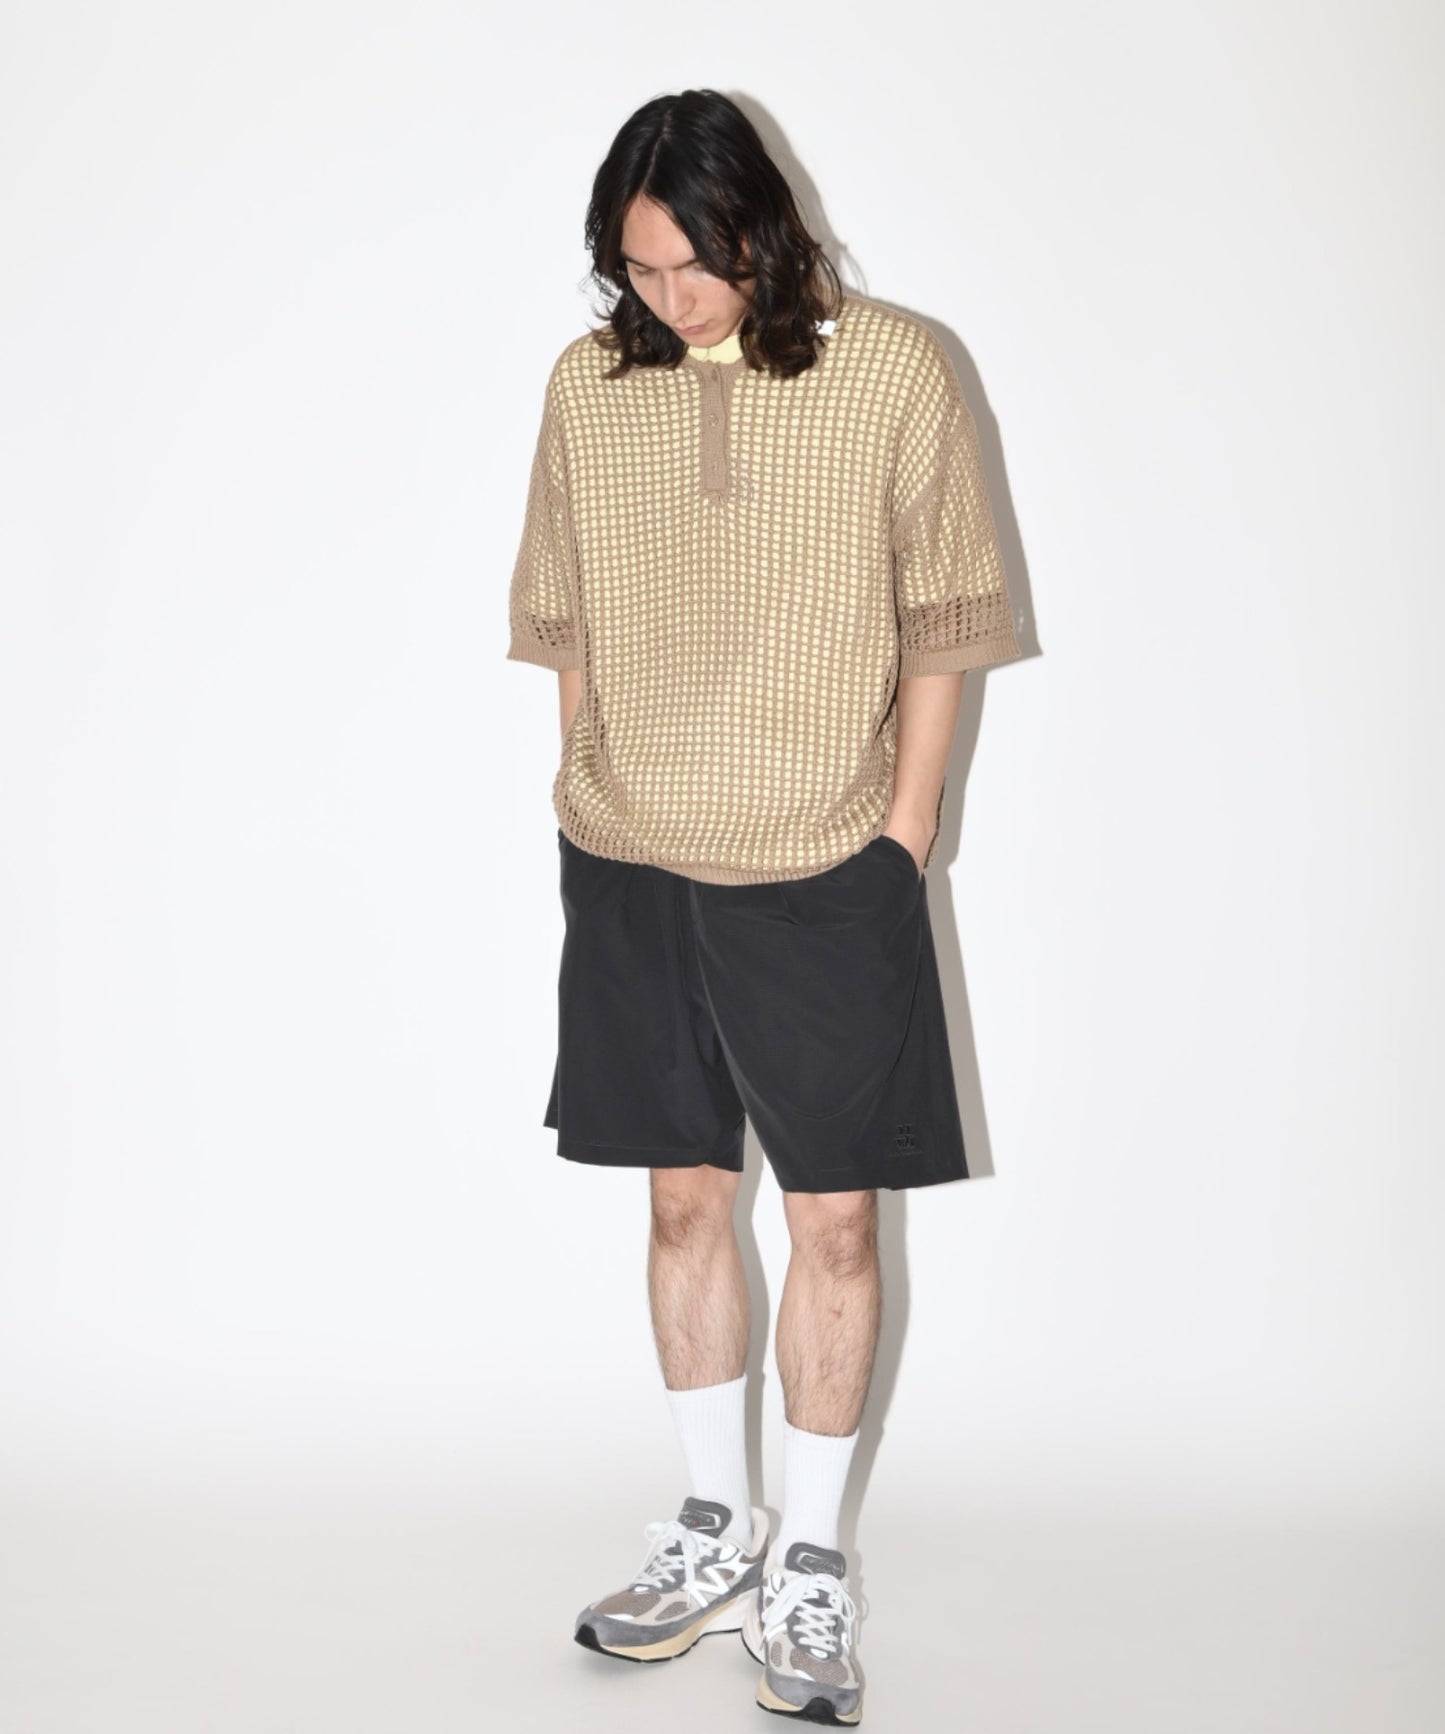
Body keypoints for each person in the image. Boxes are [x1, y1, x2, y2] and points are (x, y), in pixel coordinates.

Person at [506, 88, 1020, 1727]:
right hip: (632, 857)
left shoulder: (895, 368)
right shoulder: (589, 385)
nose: (669, 298)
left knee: (836, 1220)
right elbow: (562, 612)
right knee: (679, 1201)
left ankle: (809, 1555)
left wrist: (903, 835)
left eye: (694, 264)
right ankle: (712, 1524)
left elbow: (946, 622)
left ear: (763, 229)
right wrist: (584, 780)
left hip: (824, 862)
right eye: (639, 270)